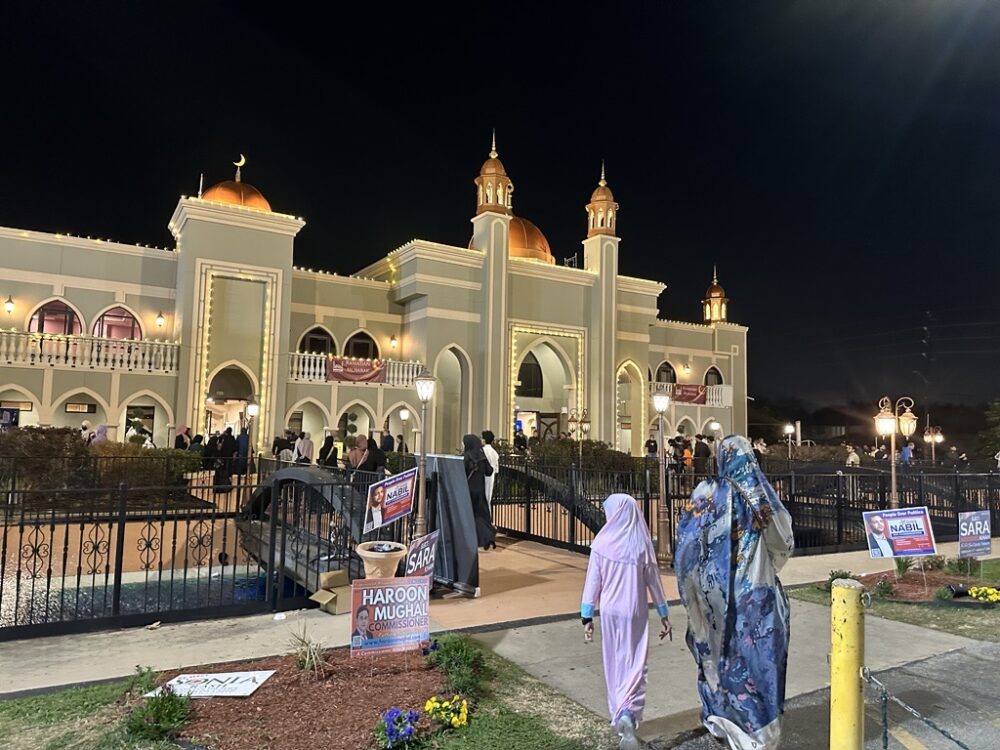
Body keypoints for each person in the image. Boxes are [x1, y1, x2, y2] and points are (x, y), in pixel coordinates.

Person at [675, 435, 794, 750]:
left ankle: (721, 718)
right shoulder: (759, 494)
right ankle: (759, 732)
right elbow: (783, 541)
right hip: (755, 594)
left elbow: (685, 545)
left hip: (714, 596)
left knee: (719, 655)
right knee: (758, 660)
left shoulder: (704, 493)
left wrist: (697, 586)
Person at [580, 493, 670, 750]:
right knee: (635, 663)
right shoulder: (641, 544)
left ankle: (619, 713)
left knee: (614, 662)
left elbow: (592, 583)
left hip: (609, 613)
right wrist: (664, 613)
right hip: (635, 611)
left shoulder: (601, 544)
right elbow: (654, 582)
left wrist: (587, 615)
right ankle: (629, 712)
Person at [463, 434, 496, 550]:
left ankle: (473, 539)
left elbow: (462, 473)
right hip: (480, 490)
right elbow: (489, 471)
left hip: (468, 491)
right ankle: (487, 537)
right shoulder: (482, 456)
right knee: (482, 515)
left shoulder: (466, 456)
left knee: (470, 516)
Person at [213, 427, 238, 493]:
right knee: (227, 470)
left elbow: (218, 445)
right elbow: (234, 448)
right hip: (229, 457)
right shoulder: (232, 438)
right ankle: (225, 483)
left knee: (221, 470)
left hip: (222, 456)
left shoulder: (223, 438)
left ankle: (219, 485)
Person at [481, 430, 500, 509]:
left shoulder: (483, 451)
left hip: (483, 475)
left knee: (483, 497)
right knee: (488, 497)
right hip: (491, 476)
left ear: (484, 440)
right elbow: (496, 468)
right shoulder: (494, 452)